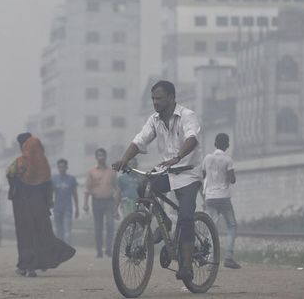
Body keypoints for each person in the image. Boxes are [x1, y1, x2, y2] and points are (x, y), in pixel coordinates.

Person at [113, 80, 202, 281]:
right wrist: (124, 159)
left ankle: (187, 265)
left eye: (159, 98)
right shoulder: (154, 120)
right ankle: (164, 221)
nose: (155, 102)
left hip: (188, 172)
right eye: (153, 98)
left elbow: (192, 139)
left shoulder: (187, 116)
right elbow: (139, 140)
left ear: (171, 97)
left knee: (187, 216)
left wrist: (178, 156)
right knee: (144, 184)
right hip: (167, 171)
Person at [7, 132, 75, 277]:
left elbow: (11, 181)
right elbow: (48, 189)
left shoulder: (18, 163)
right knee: (42, 235)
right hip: (40, 210)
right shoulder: (44, 166)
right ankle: (34, 266)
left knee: (25, 236)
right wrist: (48, 205)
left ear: (23, 145)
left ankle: (25, 266)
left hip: (23, 209)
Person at [202, 133, 241, 269]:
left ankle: (210, 260)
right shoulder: (227, 159)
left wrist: (204, 195)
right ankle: (228, 257)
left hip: (209, 197)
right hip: (223, 197)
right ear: (227, 145)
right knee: (232, 225)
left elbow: (204, 176)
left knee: (211, 228)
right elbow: (232, 180)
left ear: (215, 144)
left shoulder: (207, 158)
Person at [83, 148, 117, 258]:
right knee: (98, 227)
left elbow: (116, 188)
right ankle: (99, 250)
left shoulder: (112, 171)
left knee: (110, 224)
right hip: (96, 201)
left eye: (102, 155)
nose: (101, 157)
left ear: (105, 157)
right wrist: (85, 204)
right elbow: (87, 188)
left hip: (109, 201)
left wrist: (117, 205)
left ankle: (108, 249)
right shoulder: (91, 171)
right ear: (96, 157)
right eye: (99, 155)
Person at [51, 158, 79, 245]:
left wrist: (77, 208)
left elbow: (75, 194)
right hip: (57, 209)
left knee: (67, 232)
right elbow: (50, 193)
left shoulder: (71, 179)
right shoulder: (53, 179)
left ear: (66, 167)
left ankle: (67, 249)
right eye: (59, 167)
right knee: (59, 231)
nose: (61, 169)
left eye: (63, 167)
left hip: (68, 209)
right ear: (57, 168)